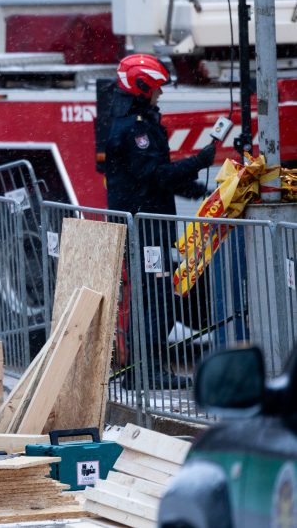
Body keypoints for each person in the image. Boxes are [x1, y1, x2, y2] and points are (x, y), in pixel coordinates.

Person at [104, 53, 216, 390]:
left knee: (155, 295)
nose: (161, 95)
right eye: (157, 89)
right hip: (145, 229)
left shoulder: (137, 121)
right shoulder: (134, 129)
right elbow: (154, 174)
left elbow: (154, 178)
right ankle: (146, 370)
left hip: (149, 226)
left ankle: (145, 367)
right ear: (141, 88)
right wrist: (199, 161)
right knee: (156, 297)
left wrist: (196, 190)